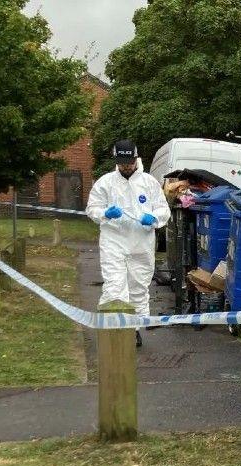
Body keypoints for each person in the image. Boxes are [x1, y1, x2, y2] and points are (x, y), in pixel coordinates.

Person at [85, 139, 170, 347]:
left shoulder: (149, 183)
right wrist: (105, 213)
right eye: (122, 162)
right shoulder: (105, 183)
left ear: (136, 158)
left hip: (141, 243)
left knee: (138, 288)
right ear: (117, 160)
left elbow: (163, 209)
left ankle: (133, 330)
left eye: (129, 162)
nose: (126, 166)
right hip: (113, 241)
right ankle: (113, 330)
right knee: (114, 286)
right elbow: (92, 209)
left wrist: (154, 218)